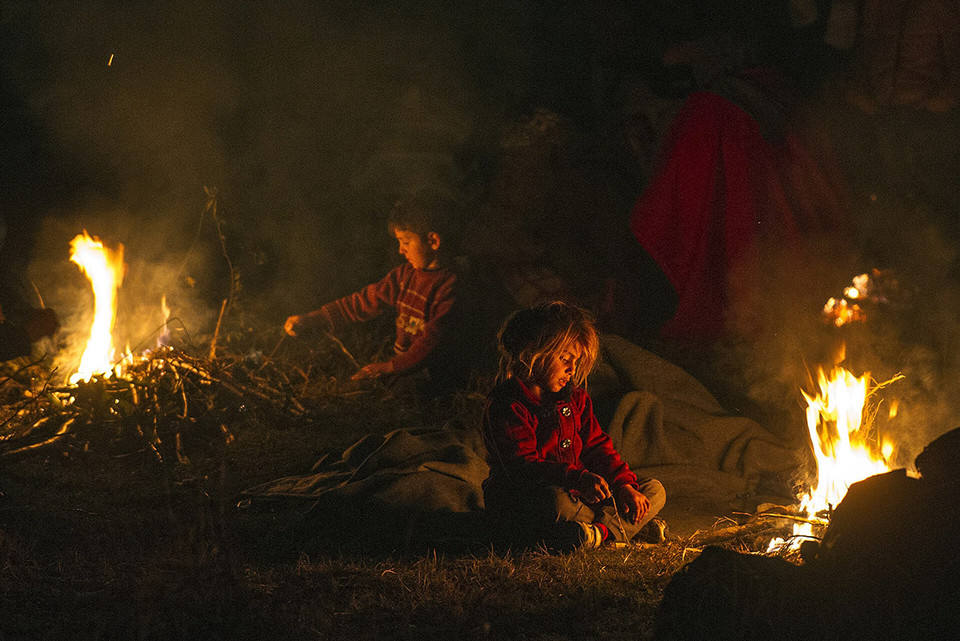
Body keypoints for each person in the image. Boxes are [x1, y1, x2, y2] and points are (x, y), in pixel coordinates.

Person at [481, 301, 665, 552]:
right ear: (534, 353)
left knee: (653, 489)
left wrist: (624, 486)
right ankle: (621, 528)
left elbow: (597, 447)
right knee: (554, 503)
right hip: (531, 500)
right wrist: (577, 478)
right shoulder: (508, 406)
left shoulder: (575, 399)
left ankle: (597, 533)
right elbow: (523, 467)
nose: (572, 369)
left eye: (576, 362)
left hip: (581, 495)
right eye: (565, 358)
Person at [284, 193, 469, 396]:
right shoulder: (405, 275)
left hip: (432, 375)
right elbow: (365, 301)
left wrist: (387, 368)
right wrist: (313, 319)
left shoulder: (450, 286)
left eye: (406, 242)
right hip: (403, 368)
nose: (401, 250)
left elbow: (432, 341)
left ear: (433, 241)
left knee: (380, 394)